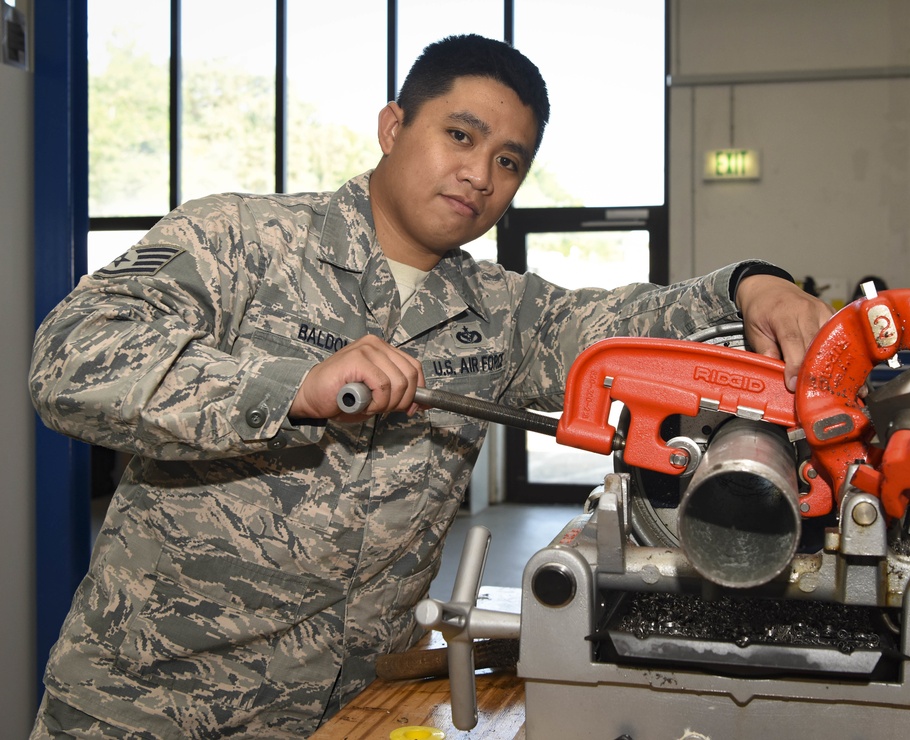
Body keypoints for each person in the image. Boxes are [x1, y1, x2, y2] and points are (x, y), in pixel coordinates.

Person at [29, 33, 833, 738]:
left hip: (350, 710)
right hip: (145, 704)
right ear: (392, 126)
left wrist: (748, 288)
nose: (480, 175)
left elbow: (626, 324)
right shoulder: (241, 239)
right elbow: (71, 355)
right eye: (460, 135)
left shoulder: (500, 315)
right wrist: (294, 385)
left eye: (508, 162)